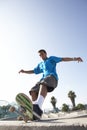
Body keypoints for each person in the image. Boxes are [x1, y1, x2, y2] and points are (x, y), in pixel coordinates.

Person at [19, 49, 83, 120]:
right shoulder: (40, 64)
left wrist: (74, 58)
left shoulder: (51, 59)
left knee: (43, 83)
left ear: (46, 54)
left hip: (52, 78)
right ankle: (35, 112)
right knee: (33, 91)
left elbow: (62, 59)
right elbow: (34, 71)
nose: (41, 56)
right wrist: (24, 71)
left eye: (42, 54)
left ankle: (38, 105)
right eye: (40, 55)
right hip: (43, 79)